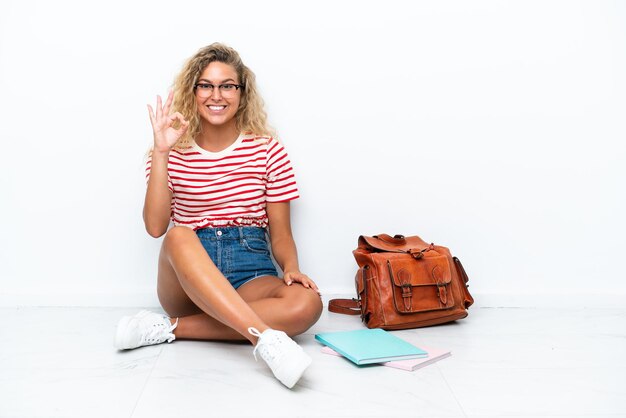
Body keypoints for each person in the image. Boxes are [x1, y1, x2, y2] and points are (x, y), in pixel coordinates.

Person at [114, 43, 323, 389]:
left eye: (228, 85)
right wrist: (162, 151)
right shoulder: (171, 150)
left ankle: (171, 328)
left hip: (251, 269)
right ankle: (265, 339)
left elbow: (281, 234)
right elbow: (155, 228)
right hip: (188, 276)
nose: (217, 95)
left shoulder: (267, 149)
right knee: (179, 234)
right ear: (193, 91)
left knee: (308, 304)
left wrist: (291, 269)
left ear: (242, 93)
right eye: (206, 85)